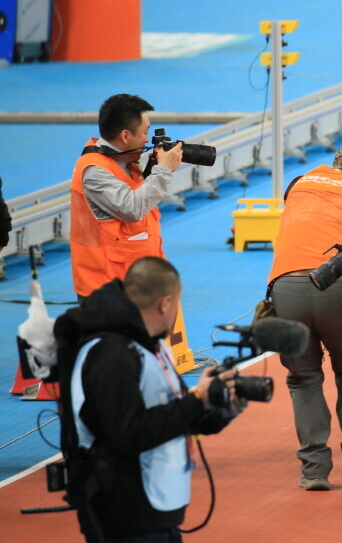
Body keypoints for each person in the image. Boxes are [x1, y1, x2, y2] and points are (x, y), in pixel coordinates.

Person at [54, 256, 245, 543]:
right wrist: (196, 402)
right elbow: (127, 433)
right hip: (126, 515)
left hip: (153, 510)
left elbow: (173, 413)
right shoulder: (111, 354)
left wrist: (219, 409)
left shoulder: (151, 346)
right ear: (165, 303)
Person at [267, 143, 342, 491]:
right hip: (335, 285)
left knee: (303, 379)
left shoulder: (301, 183)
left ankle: (313, 469)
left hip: (285, 285)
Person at [70, 94, 182, 299]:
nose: (147, 139)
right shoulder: (94, 171)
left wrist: (153, 168)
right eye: (145, 132)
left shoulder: (125, 159)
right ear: (125, 136)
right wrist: (163, 170)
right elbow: (132, 208)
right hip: (107, 288)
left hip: (138, 282)